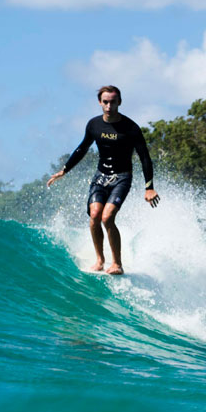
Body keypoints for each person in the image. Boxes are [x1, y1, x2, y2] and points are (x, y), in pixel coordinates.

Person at [47, 85, 160, 274]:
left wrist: (149, 187)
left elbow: (145, 157)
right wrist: (64, 170)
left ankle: (117, 264)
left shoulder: (131, 128)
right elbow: (82, 148)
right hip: (100, 176)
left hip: (122, 178)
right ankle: (99, 260)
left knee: (107, 217)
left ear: (119, 102)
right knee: (94, 216)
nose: (109, 106)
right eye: (105, 102)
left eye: (112, 102)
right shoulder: (94, 125)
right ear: (100, 102)